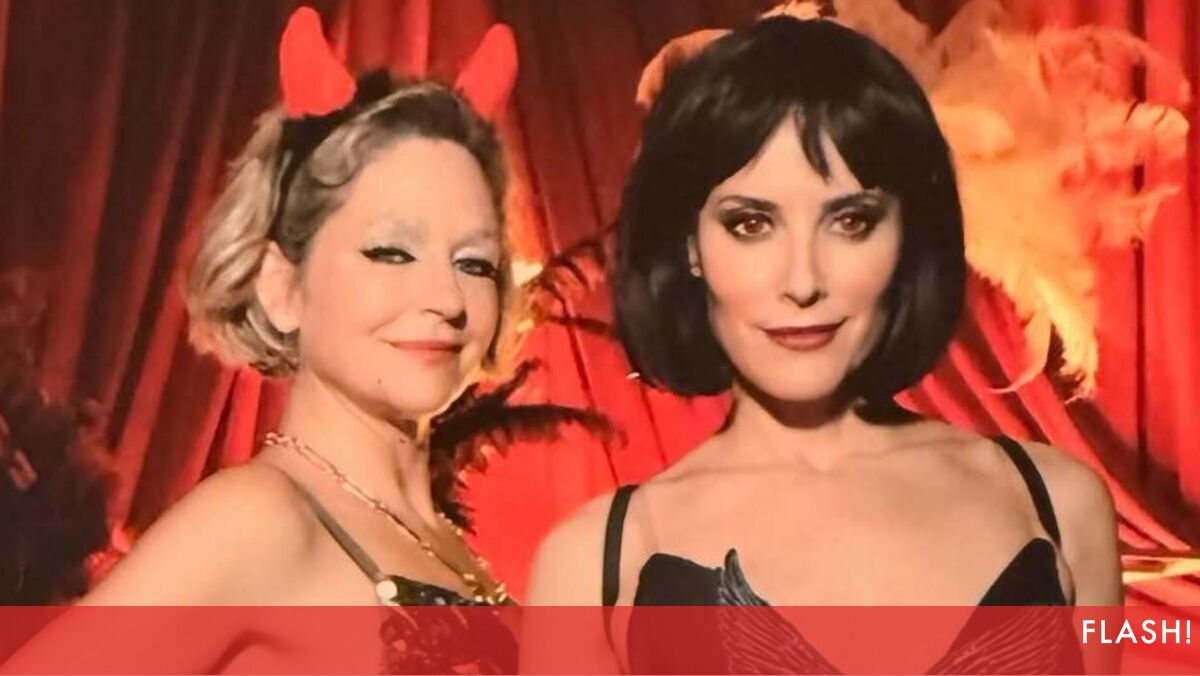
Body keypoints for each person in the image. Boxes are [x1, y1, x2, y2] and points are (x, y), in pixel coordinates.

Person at [524, 15, 1120, 674]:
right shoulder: (592, 568)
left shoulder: (1060, 504)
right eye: (751, 224)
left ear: (907, 235)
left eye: (850, 221)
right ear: (690, 245)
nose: (804, 281)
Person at [5, 8, 519, 673]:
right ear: (281, 286)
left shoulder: (447, 546)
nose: (446, 298)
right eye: (391, 252)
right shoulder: (256, 520)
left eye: (474, 262)